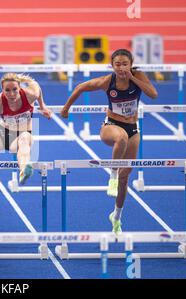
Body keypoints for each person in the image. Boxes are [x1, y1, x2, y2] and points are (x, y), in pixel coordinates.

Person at [60, 49, 158, 234]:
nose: (121, 68)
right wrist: (66, 109)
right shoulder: (108, 81)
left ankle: (116, 216)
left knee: (126, 176)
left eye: (124, 64)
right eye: (117, 64)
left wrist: (132, 78)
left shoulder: (138, 75)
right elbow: (80, 87)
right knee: (120, 138)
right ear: (112, 66)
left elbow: (153, 94)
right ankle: (112, 175)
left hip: (133, 129)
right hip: (111, 126)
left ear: (131, 64)